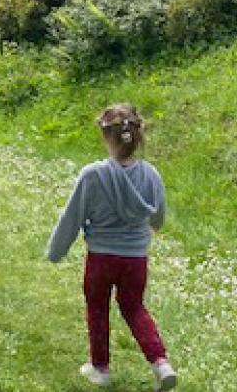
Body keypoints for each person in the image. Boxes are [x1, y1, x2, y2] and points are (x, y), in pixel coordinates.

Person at [46, 104, 178, 391]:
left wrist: (56, 251)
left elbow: (72, 217)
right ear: (138, 135)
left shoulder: (92, 175)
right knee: (134, 307)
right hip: (135, 260)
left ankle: (100, 368)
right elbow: (158, 218)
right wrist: (148, 227)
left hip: (101, 258)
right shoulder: (151, 175)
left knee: (97, 308)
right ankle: (161, 363)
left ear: (106, 136)